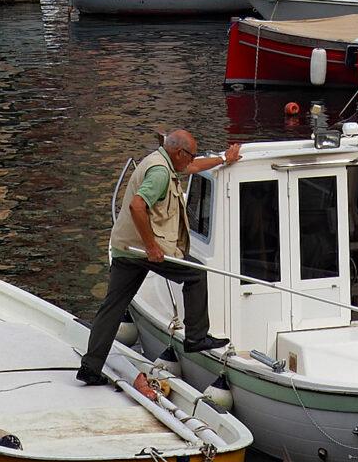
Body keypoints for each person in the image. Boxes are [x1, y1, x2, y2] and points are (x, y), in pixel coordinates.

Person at [77, 129, 241, 385]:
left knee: (112, 307)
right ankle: (196, 337)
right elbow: (137, 206)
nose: (192, 160)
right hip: (142, 250)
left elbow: (193, 167)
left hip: (124, 247)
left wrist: (223, 159)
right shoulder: (161, 172)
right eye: (191, 155)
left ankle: (90, 367)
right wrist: (152, 246)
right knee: (196, 273)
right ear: (179, 152)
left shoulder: (161, 160)